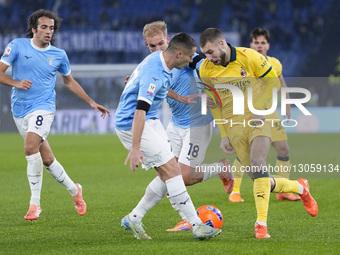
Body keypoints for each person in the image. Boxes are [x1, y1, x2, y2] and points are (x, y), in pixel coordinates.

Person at [199, 28, 318, 238]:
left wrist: (261, 110)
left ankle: (261, 225)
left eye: (210, 52)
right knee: (260, 179)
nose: (208, 58)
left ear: (221, 44)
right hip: (234, 128)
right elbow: (214, 103)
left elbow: (273, 83)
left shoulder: (249, 57)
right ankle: (300, 188)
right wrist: (224, 134)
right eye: (205, 54)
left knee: (258, 163)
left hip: (259, 120)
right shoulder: (206, 70)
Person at [0, 9, 110, 220]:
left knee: (30, 147)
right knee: (47, 159)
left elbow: (69, 81)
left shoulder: (59, 55)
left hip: (44, 107)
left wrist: (91, 102)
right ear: (34, 29)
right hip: (19, 109)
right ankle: (75, 190)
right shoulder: (17, 46)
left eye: (51, 28)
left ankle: (35, 204)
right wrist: (16, 83)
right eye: (44, 27)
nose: (48, 32)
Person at [115, 32, 221, 240]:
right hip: (133, 124)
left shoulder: (162, 61)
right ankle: (197, 225)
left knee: (166, 174)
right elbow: (139, 111)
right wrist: (135, 148)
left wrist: (181, 97)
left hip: (152, 121)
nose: (192, 61)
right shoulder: (155, 73)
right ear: (179, 53)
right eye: (190, 57)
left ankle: (134, 218)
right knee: (173, 171)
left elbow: (161, 88)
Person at [141, 21, 233, 232]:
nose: (157, 49)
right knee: (165, 176)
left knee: (183, 177)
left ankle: (221, 168)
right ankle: (187, 219)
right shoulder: (153, 63)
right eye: (151, 46)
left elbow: (210, 70)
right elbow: (158, 89)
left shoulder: (187, 58)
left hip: (197, 126)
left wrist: (210, 93)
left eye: (160, 44)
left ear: (168, 39)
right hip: (174, 126)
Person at [228, 27, 301, 203]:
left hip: (270, 114)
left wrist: (287, 105)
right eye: (256, 42)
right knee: (245, 152)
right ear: (250, 44)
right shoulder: (244, 63)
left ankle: (283, 190)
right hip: (250, 115)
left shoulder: (274, 64)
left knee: (283, 149)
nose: (259, 46)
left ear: (268, 45)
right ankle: (235, 190)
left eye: (262, 43)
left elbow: (282, 85)